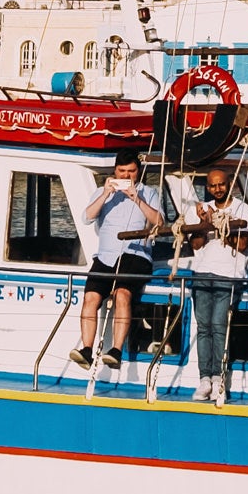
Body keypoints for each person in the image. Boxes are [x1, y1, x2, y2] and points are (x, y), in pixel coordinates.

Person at [81, 154, 162, 372]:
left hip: (135, 254)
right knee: (90, 297)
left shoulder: (149, 192)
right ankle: (86, 350)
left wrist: (136, 198)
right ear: (115, 171)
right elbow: (86, 217)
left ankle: (116, 350)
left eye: (131, 172)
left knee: (122, 294)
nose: (126, 176)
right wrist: (106, 193)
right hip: (106, 255)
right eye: (122, 172)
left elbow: (159, 221)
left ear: (139, 171)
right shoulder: (101, 192)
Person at [177, 211, 248, 403]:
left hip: (227, 275)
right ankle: (205, 379)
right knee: (203, 329)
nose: (217, 188)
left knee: (218, 327)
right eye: (213, 185)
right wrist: (204, 222)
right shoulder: (204, 210)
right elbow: (195, 245)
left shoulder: (242, 208)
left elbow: (242, 245)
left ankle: (218, 378)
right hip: (201, 274)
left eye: (221, 184)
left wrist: (223, 227)